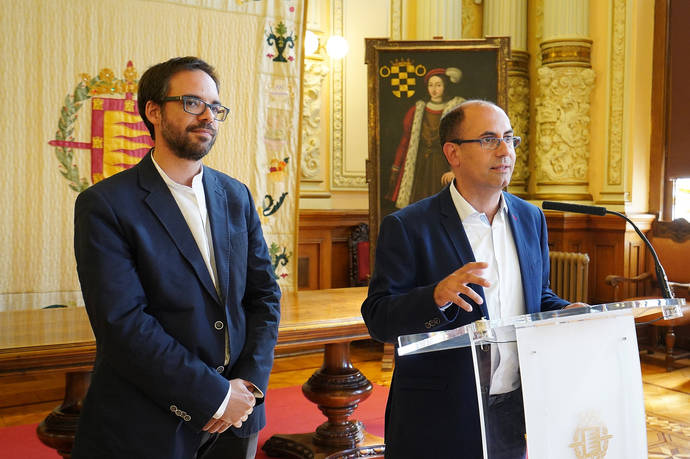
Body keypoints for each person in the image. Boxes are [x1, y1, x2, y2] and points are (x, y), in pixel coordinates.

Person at [72, 57, 281, 459]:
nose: (208, 116)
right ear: (153, 111)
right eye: (191, 103)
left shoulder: (235, 195)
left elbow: (264, 298)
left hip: (239, 418)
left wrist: (249, 386)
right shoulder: (106, 204)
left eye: (215, 107)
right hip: (148, 422)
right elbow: (123, 325)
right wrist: (214, 396)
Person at [362, 100, 585, 459]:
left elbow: (536, 297)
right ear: (453, 153)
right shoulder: (408, 226)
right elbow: (379, 320)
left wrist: (565, 310)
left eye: (510, 139)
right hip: (438, 416)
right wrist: (434, 297)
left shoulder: (530, 219)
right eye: (488, 139)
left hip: (513, 406)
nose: (504, 151)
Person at [385, 67, 464, 209]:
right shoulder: (418, 110)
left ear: (445, 86)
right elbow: (405, 141)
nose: (434, 89)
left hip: (441, 162)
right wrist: (396, 165)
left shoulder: (454, 109)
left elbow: (461, 143)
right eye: (431, 85)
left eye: (438, 85)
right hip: (420, 163)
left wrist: (455, 170)